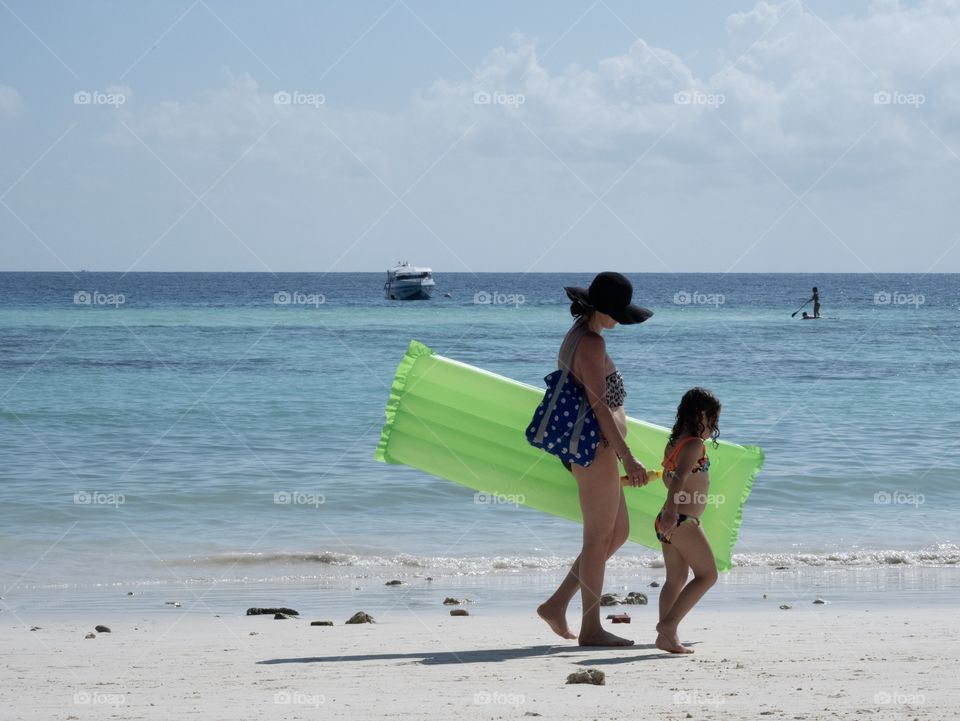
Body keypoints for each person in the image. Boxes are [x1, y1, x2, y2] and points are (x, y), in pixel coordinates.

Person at [537, 271, 653, 647]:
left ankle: (556, 605)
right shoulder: (590, 344)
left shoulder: (582, 336)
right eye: (617, 311)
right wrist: (629, 458)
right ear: (602, 309)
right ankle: (591, 628)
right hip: (597, 450)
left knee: (614, 535)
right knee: (597, 537)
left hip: (596, 450)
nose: (620, 319)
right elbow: (601, 408)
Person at [654, 387, 721, 654]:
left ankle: (666, 637)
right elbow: (679, 479)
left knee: (675, 579)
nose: (714, 426)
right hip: (680, 519)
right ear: (701, 415)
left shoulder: (674, 444)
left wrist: (669, 512)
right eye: (713, 420)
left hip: (668, 520)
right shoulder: (694, 444)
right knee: (708, 575)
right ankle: (668, 626)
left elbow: (669, 478)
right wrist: (672, 511)